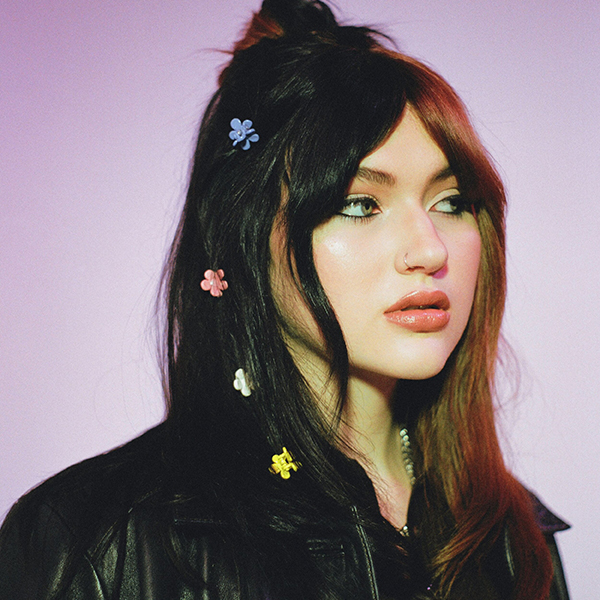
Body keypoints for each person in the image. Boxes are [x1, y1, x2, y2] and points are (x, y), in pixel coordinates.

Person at [0, 0, 570, 598]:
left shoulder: (511, 535)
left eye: (451, 202)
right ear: (243, 237)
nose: (429, 250)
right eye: (358, 204)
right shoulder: (94, 541)